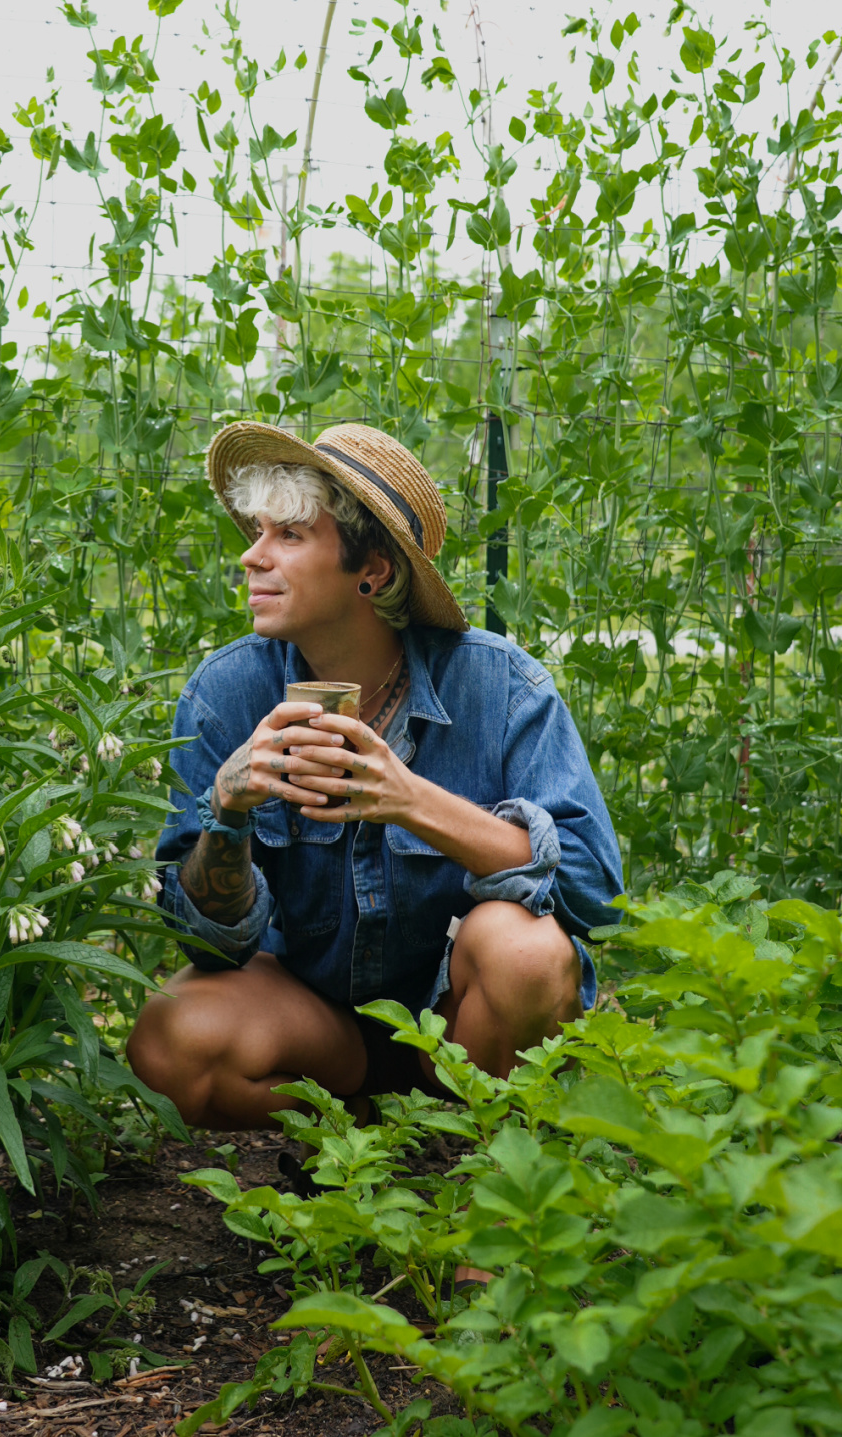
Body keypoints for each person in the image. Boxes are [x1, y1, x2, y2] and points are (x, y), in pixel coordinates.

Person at [126, 421, 623, 1140]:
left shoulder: (499, 685)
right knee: (167, 1042)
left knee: (529, 952)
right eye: (257, 531)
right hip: (317, 1028)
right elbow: (209, 947)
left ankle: (490, 1178)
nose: (251, 555)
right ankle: (357, 1134)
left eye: (288, 536)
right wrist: (229, 812)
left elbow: (593, 891)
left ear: (374, 571)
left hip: (453, 1022)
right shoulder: (227, 693)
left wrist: (411, 799)